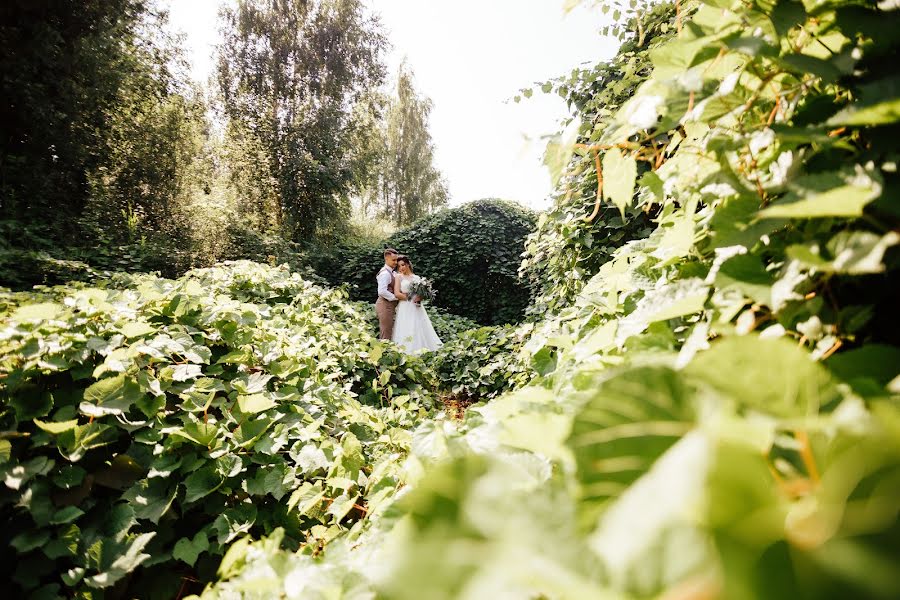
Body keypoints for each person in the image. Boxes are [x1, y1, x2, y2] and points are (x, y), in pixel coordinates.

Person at [391, 255, 442, 353]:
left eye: (403, 265)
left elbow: (421, 293)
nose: (401, 268)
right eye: (399, 266)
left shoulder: (416, 278)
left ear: (408, 264)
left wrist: (420, 297)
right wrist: (410, 298)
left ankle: (422, 349)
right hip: (405, 306)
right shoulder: (398, 277)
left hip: (417, 306)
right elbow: (397, 293)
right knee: (407, 326)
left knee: (418, 325)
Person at [375, 248, 400, 340]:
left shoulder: (393, 272)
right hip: (385, 305)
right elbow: (381, 291)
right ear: (386, 259)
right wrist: (395, 297)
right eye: (393, 260)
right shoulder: (385, 273)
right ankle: (384, 353)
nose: (396, 262)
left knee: (390, 330)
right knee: (386, 332)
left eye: (396, 260)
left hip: (390, 305)